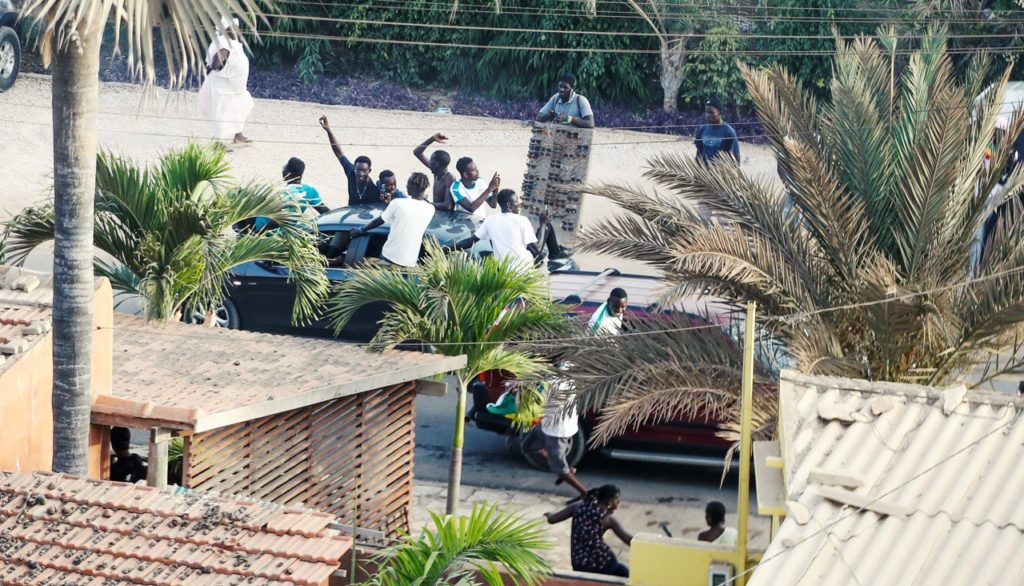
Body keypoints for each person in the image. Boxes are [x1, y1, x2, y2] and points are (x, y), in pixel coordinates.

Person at [347, 172, 434, 268]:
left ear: (413, 187)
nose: (406, 186)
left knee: (358, 265)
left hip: (389, 258)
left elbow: (379, 221)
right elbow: (410, 216)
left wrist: (360, 230)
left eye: (408, 183)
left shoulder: (397, 203)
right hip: (410, 263)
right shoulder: (430, 209)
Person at [545, 484, 632, 577]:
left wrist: (549, 515)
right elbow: (629, 540)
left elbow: (552, 520)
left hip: (579, 564)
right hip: (603, 563)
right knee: (627, 576)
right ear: (610, 502)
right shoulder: (608, 519)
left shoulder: (577, 506)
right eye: (617, 503)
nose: (617, 506)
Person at [521, 379, 588, 496]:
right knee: (528, 446)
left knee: (560, 469)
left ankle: (585, 494)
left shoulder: (554, 382)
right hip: (548, 424)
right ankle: (565, 468)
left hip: (556, 430)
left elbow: (538, 398)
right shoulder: (561, 372)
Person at [452, 189, 547, 269]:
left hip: (503, 269)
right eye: (516, 201)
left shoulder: (490, 220)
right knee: (546, 229)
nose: (519, 204)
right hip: (523, 268)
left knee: (523, 240)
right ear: (509, 205)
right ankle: (555, 254)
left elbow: (469, 242)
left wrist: (446, 249)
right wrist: (543, 224)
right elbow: (538, 248)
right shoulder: (522, 220)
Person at [197, 17, 254, 144]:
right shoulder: (223, 43)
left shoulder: (233, 43)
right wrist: (216, 65)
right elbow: (217, 62)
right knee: (221, 114)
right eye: (234, 28)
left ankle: (238, 136)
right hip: (223, 88)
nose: (238, 31)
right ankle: (218, 142)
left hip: (236, 89)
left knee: (243, 106)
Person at [253, 157, 328, 232]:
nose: (283, 170)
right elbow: (325, 212)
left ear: (288, 173)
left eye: (284, 168)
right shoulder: (310, 191)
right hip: (287, 232)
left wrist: (257, 232)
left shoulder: (283, 192)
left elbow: (279, 219)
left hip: (268, 233)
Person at [319, 114, 380, 206]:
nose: (360, 173)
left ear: (369, 171)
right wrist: (328, 130)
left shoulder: (373, 190)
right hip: (350, 212)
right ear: (354, 168)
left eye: (364, 171)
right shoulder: (351, 172)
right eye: (358, 170)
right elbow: (339, 153)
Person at [413, 132, 458, 211]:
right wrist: (432, 139)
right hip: (436, 213)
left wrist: (427, 204)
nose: (429, 162)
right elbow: (417, 152)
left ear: (436, 164)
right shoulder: (436, 172)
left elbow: (447, 205)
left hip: (445, 218)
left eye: (431, 160)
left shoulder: (449, 178)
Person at [695, 96, 740, 164]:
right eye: (706, 112)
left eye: (711, 112)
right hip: (703, 172)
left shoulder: (729, 132)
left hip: (719, 173)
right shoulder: (702, 129)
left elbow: (736, 160)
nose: (708, 115)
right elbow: (699, 154)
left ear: (720, 112)